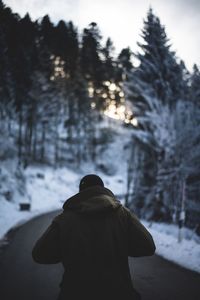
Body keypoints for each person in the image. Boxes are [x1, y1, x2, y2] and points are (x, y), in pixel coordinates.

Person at [32, 174, 156, 300]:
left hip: (75, 293)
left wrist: (65, 250)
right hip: (118, 292)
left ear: (81, 192)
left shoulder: (64, 219)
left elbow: (39, 254)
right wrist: (120, 245)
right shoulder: (123, 215)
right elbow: (148, 246)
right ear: (103, 190)